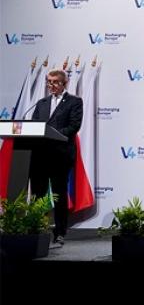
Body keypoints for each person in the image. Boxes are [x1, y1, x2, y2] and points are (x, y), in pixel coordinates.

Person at [30, 69, 83, 245]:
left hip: (60, 155)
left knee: (58, 194)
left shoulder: (74, 102)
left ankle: (60, 232)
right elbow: (34, 125)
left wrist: (52, 133)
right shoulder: (41, 103)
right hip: (40, 156)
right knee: (38, 193)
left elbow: (74, 126)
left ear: (64, 83)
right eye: (49, 81)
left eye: (54, 82)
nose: (50, 85)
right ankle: (36, 227)